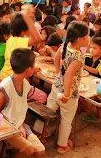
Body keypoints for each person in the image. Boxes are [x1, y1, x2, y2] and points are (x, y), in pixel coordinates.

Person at [36, 21, 89, 154]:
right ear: (80, 39)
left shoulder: (65, 45)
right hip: (68, 93)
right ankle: (62, 146)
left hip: (56, 87)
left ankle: (37, 132)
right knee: (66, 120)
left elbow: (56, 59)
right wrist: (66, 94)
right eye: (88, 36)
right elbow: (70, 75)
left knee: (47, 110)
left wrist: (59, 72)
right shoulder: (79, 56)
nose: (89, 39)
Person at [0, 48, 45, 157]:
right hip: (7, 126)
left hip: (19, 123)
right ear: (28, 70)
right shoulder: (6, 86)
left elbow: (20, 108)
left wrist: (21, 127)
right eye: (33, 66)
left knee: (40, 151)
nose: (34, 68)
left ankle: (13, 151)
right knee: (29, 150)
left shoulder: (24, 83)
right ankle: (15, 151)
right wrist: (15, 128)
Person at [0, 7, 42, 80]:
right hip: (10, 81)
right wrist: (27, 18)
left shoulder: (11, 39)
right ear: (24, 30)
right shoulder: (21, 41)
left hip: (3, 77)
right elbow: (38, 39)